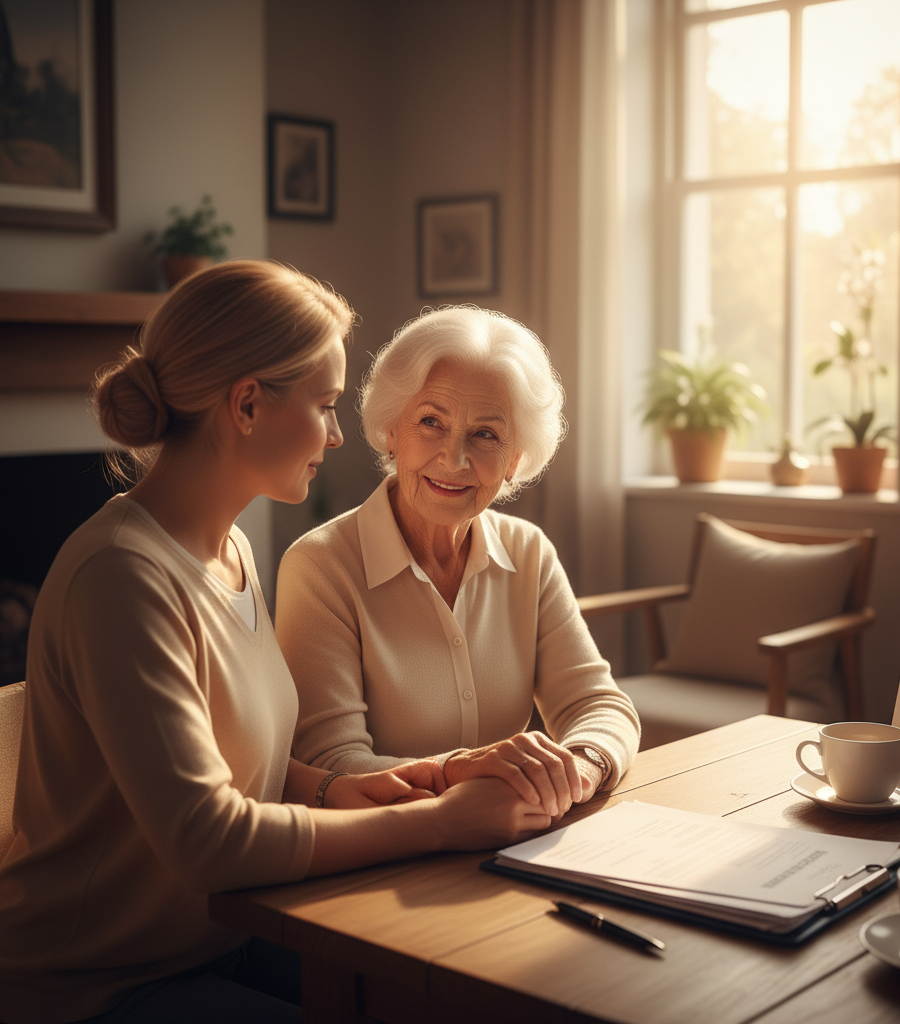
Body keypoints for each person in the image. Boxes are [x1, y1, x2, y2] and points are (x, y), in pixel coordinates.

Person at [0, 264, 552, 1024]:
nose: (338, 433)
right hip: (97, 986)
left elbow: (230, 757)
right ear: (248, 405)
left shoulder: (227, 551)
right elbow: (209, 841)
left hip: (223, 934)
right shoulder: (120, 576)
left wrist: (348, 788)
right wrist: (438, 822)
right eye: (325, 405)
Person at [276, 307, 640, 820]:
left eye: (486, 434)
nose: (454, 458)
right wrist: (466, 774)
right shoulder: (319, 566)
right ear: (391, 431)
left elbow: (599, 705)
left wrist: (577, 769)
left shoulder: (529, 552)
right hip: (384, 849)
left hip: (514, 830)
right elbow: (332, 764)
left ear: (516, 458)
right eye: (431, 422)